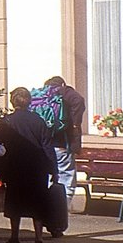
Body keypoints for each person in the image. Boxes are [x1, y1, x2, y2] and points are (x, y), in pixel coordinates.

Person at [0, 87, 59, 243]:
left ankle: (14, 238)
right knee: (38, 205)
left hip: (15, 168)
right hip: (37, 169)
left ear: (12, 102)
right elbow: (47, 147)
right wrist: (54, 170)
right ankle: (39, 240)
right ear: (29, 102)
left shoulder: (7, 121)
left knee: (15, 204)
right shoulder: (39, 121)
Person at [43, 75, 86, 232]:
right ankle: (59, 220)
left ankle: (45, 217)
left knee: (48, 182)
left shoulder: (43, 96)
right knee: (66, 182)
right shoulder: (67, 94)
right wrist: (75, 123)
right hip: (62, 146)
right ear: (62, 84)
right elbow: (79, 101)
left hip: (46, 148)